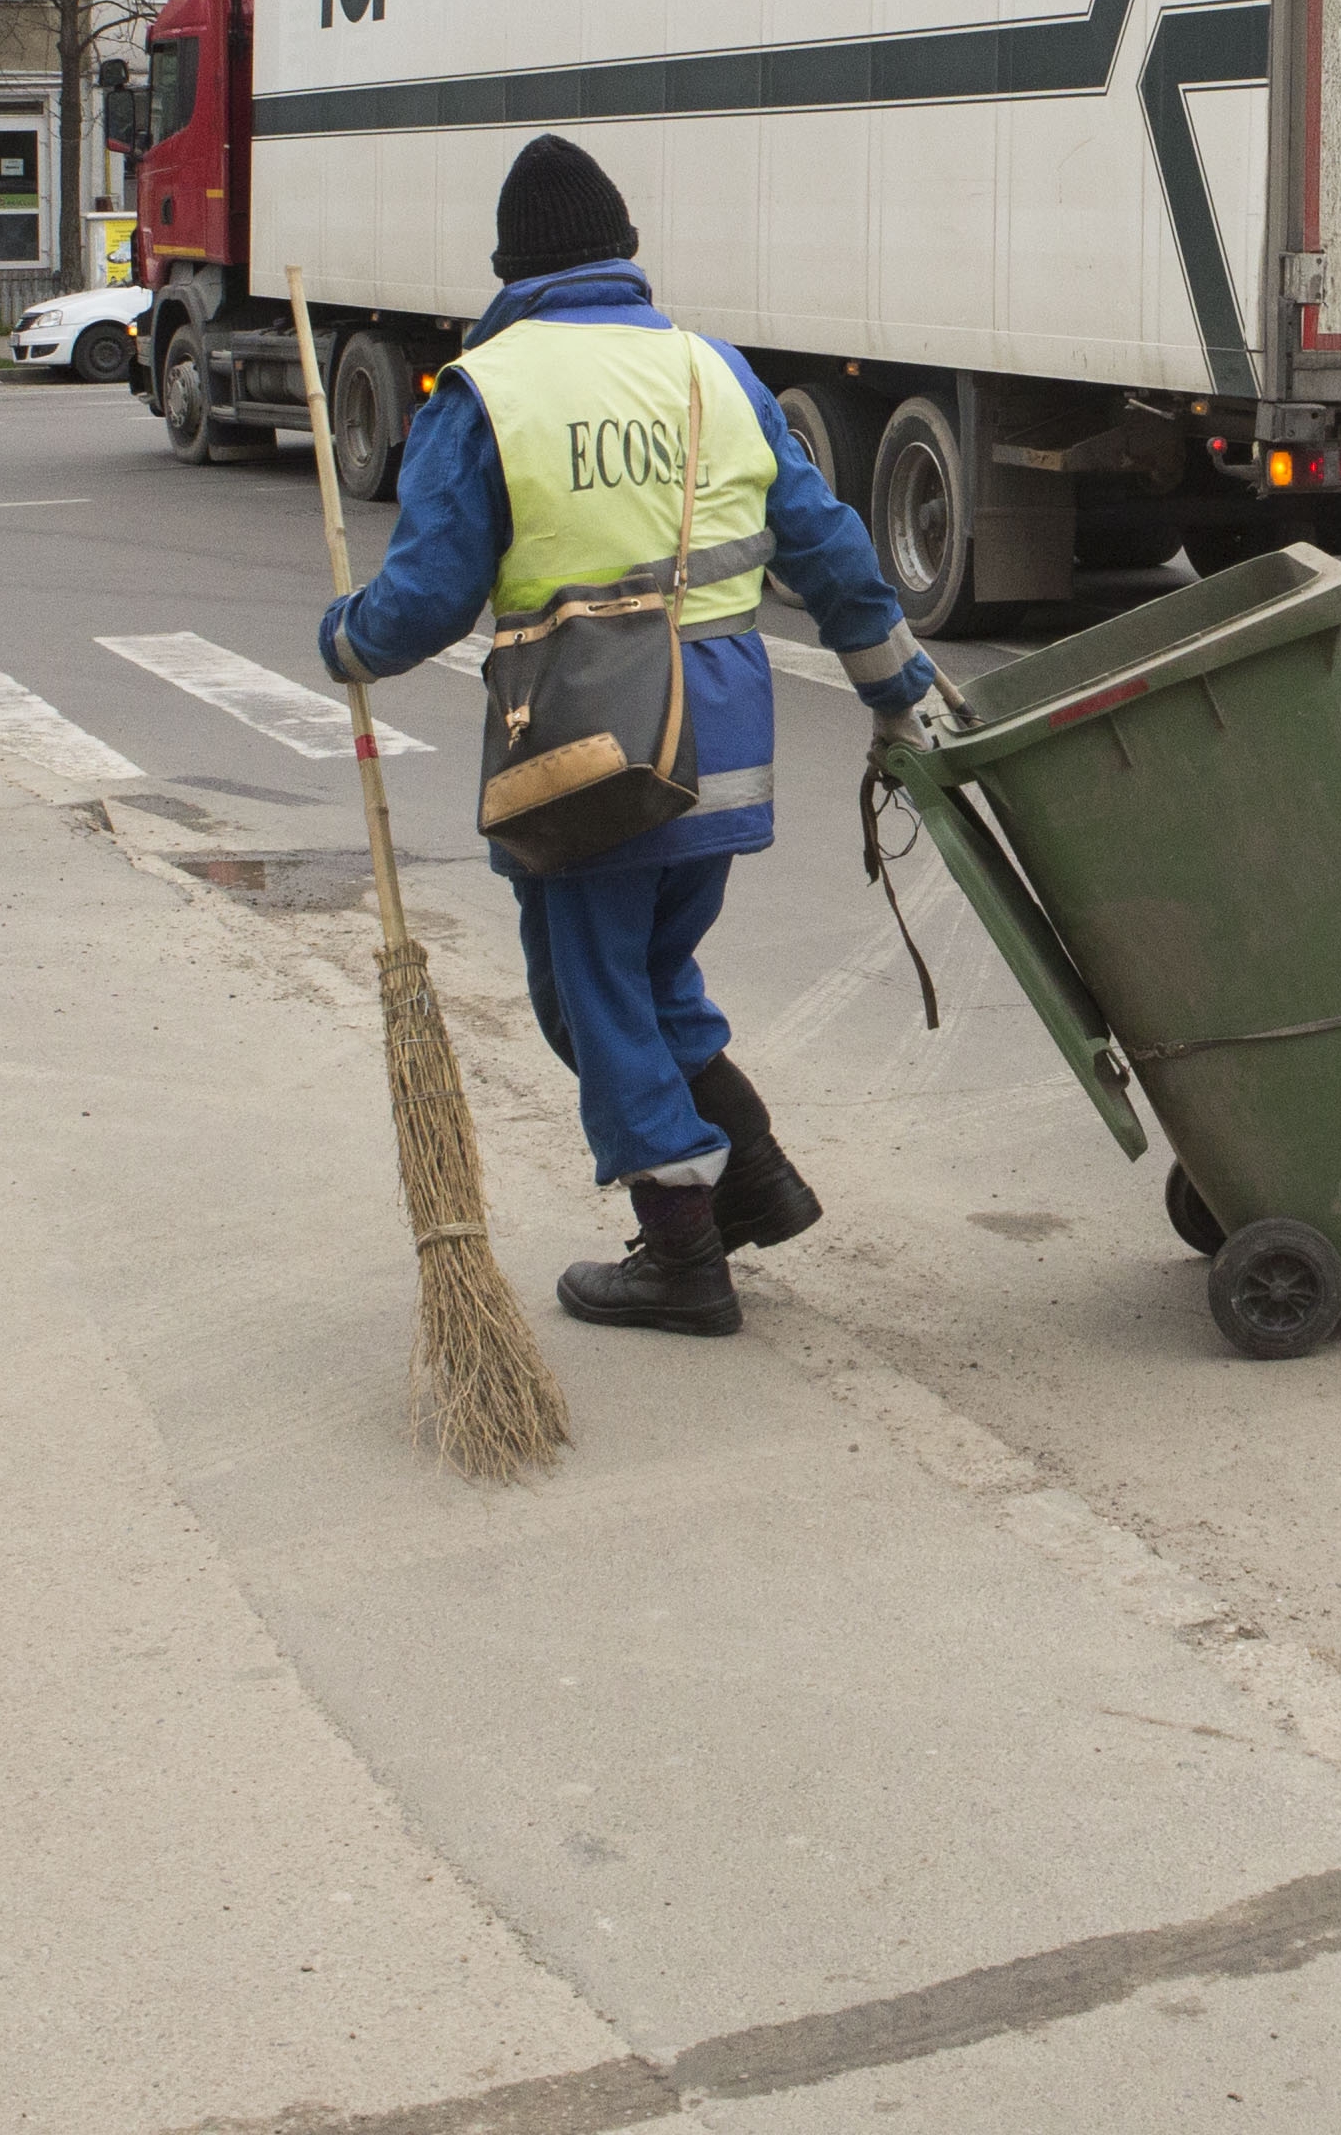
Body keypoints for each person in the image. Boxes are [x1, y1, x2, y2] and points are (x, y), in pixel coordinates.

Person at [318, 133, 942, 1338]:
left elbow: (428, 593)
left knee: (588, 997)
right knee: (654, 973)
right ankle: (752, 1173)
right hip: (723, 745)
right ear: (625, 254)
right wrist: (890, 689)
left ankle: (683, 1251)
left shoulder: (487, 391)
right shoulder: (716, 374)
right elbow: (834, 556)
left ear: (510, 266)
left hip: (590, 746)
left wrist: (348, 643)